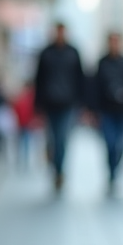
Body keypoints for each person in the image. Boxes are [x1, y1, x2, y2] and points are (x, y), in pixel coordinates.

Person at [34, 21, 86, 193]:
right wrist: (37, 106)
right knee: (52, 138)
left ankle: (59, 171)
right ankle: (54, 164)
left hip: (67, 104)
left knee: (62, 139)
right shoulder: (46, 53)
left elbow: (80, 79)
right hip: (49, 104)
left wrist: (82, 103)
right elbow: (39, 80)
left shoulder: (73, 53)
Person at [92, 31, 123, 194]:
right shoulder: (102, 63)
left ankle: (116, 170)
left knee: (119, 144)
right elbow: (95, 88)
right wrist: (94, 111)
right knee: (110, 143)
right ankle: (111, 173)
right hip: (106, 111)